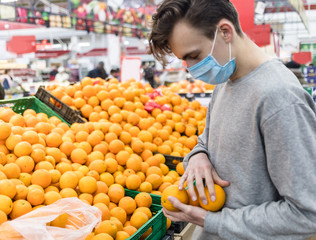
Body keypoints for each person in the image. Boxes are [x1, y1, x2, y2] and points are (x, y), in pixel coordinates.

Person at [149, 0, 316, 239]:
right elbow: (207, 141)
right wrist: (198, 156)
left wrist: (213, 221)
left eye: (194, 55)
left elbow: (308, 213)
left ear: (225, 32)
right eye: (185, 60)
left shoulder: (280, 98)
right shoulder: (226, 81)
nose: (191, 68)